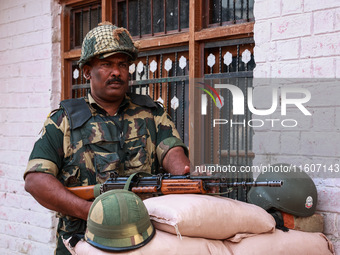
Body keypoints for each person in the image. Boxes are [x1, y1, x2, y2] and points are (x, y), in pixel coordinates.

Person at [24, 22, 190, 255]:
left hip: (143, 239)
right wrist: (89, 211)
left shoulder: (152, 114)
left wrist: (183, 175)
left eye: (122, 64)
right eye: (106, 64)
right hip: (81, 241)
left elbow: (171, 150)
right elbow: (36, 180)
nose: (116, 72)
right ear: (87, 71)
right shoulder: (64, 120)